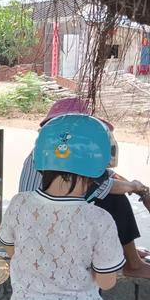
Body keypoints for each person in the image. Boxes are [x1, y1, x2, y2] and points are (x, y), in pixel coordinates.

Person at [0, 114, 125, 300]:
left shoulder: (19, 204)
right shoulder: (98, 220)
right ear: (97, 170)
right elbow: (107, 282)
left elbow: (11, 250)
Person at [19, 97, 150, 279]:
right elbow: (107, 184)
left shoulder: (48, 153)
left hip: (42, 228)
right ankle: (133, 264)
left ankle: (125, 251)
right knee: (114, 200)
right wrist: (137, 188)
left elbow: (108, 175)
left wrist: (138, 188)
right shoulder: (65, 159)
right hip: (52, 232)